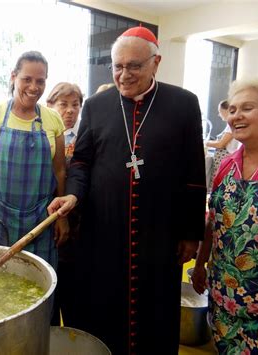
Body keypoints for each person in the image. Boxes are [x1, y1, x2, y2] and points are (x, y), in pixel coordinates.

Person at [47, 26, 207, 354]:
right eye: (117, 66)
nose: (124, 74)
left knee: (156, 306)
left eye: (134, 66)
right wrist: (74, 194)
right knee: (105, 303)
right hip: (105, 229)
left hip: (159, 232)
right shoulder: (96, 105)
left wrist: (191, 233)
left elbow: (194, 172)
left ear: (155, 62)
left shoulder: (184, 103)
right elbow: (80, 163)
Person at [0, 51, 68, 269]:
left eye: (40, 81)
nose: (34, 87)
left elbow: (59, 171)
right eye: (27, 79)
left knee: (38, 287)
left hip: (41, 223)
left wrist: (61, 217)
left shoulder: (53, 119)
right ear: (13, 77)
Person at [192, 78, 258, 354]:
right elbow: (213, 221)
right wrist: (199, 265)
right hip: (224, 299)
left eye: (248, 107)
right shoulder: (227, 166)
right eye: (232, 109)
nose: (236, 116)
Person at [46, 82, 83, 326]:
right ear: (50, 106)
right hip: (48, 216)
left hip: (78, 220)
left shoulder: (85, 137)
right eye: (63, 105)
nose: (70, 111)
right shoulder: (44, 136)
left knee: (73, 284)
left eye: (75, 105)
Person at [206, 99, 240, 192]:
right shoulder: (230, 124)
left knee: (220, 186)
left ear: (227, 110)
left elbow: (221, 144)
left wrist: (206, 143)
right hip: (223, 159)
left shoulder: (231, 124)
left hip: (226, 158)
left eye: (220, 111)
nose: (219, 114)